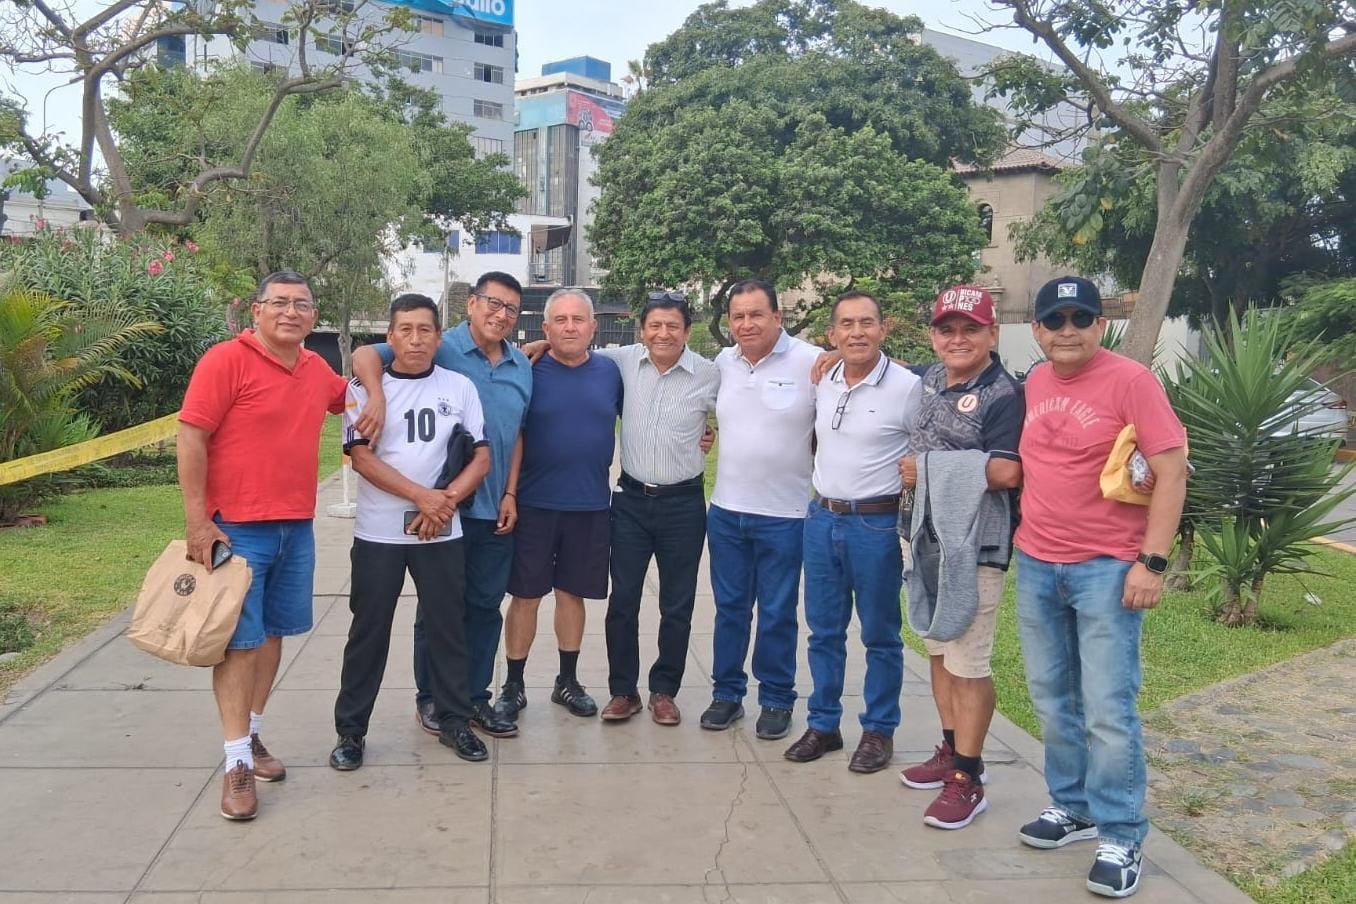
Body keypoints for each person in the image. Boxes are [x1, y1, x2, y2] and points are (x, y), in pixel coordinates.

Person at [1014, 276, 1187, 899]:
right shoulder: (1034, 380)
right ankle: (1073, 806)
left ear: (1100, 325)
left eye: (1080, 318)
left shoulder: (1132, 382)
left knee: (1109, 708)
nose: (1067, 330)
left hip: (1106, 568)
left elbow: (1171, 471)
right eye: (1054, 321)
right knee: (1051, 698)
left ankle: (1121, 832)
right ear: (1037, 330)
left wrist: (1153, 562)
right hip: (1036, 561)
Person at [177, 270, 348, 821]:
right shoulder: (226, 361)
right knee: (240, 644)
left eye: (302, 304)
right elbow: (192, 436)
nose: (290, 312)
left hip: (295, 527)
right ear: (257, 310)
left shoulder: (316, 369)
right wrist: (199, 522)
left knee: (273, 636)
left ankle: (251, 736)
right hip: (238, 528)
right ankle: (234, 765)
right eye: (279, 303)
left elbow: (352, 395)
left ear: (314, 317)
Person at [350, 272, 530, 739]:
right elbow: (366, 354)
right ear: (471, 303)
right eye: (492, 303)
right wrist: (374, 394)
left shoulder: (520, 365)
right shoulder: (437, 342)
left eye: (511, 308)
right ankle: (426, 701)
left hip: (486, 507)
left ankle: (472, 702)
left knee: (482, 608)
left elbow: (510, 438)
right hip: (426, 520)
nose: (500, 314)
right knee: (428, 619)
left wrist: (507, 492)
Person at [329, 293, 502, 770]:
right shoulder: (364, 390)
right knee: (369, 632)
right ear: (390, 337)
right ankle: (351, 732)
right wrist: (420, 496)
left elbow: (481, 456)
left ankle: (453, 721)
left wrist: (442, 503)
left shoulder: (459, 386)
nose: (415, 338)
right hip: (379, 535)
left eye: (425, 329)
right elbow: (361, 458)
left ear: (438, 337)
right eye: (405, 329)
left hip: (441, 532)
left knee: (448, 630)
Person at [894, 286, 1023, 831]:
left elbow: (1007, 472)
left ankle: (970, 777)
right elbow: (879, 361)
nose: (958, 338)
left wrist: (926, 470)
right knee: (939, 645)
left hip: (975, 544)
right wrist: (831, 356)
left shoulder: (1004, 394)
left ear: (992, 334)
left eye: (971, 328)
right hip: (924, 535)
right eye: (947, 329)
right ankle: (950, 749)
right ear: (933, 336)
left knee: (969, 662)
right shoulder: (926, 378)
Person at [784, 291, 922, 773]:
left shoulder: (907, 386)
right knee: (823, 631)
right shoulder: (822, 378)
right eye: (846, 324)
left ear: (883, 330)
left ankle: (878, 731)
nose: (857, 332)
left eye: (866, 323)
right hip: (821, 518)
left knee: (881, 633)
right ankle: (824, 724)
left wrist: (917, 469)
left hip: (876, 524)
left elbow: (927, 446)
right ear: (832, 334)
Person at [699, 279, 821, 741]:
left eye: (756, 314)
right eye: (738, 316)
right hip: (727, 511)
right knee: (730, 609)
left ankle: (775, 698)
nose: (746, 324)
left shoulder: (812, 361)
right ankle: (727, 694)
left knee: (776, 611)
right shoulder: (722, 363)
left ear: (778, 316)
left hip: (786, 515)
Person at [495, 289, 622, 721]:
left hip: (588, 505)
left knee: (572, 595)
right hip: (534, 504)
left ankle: (566, 681)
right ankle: (513, 684)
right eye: (560, 320)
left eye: (578, 320)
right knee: (525, 595)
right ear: (545, 329)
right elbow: (515, 436)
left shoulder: (610, 373)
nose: (570, 327)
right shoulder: (527, 370)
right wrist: (509, 493)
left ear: (592, 327)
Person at [595, 292, 719, 726]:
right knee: (623, 601)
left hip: (683, 506)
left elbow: (737, 413)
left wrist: (713, 432)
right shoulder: (623, 361)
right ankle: (623, 691)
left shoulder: (710, 374)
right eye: (655, 326)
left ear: (686, 331)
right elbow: (570, 345)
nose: (663, 334)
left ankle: (664, 690)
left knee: (677, 604)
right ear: (642, 330)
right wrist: (535, 345)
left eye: (673, 326)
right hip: (629, 501)